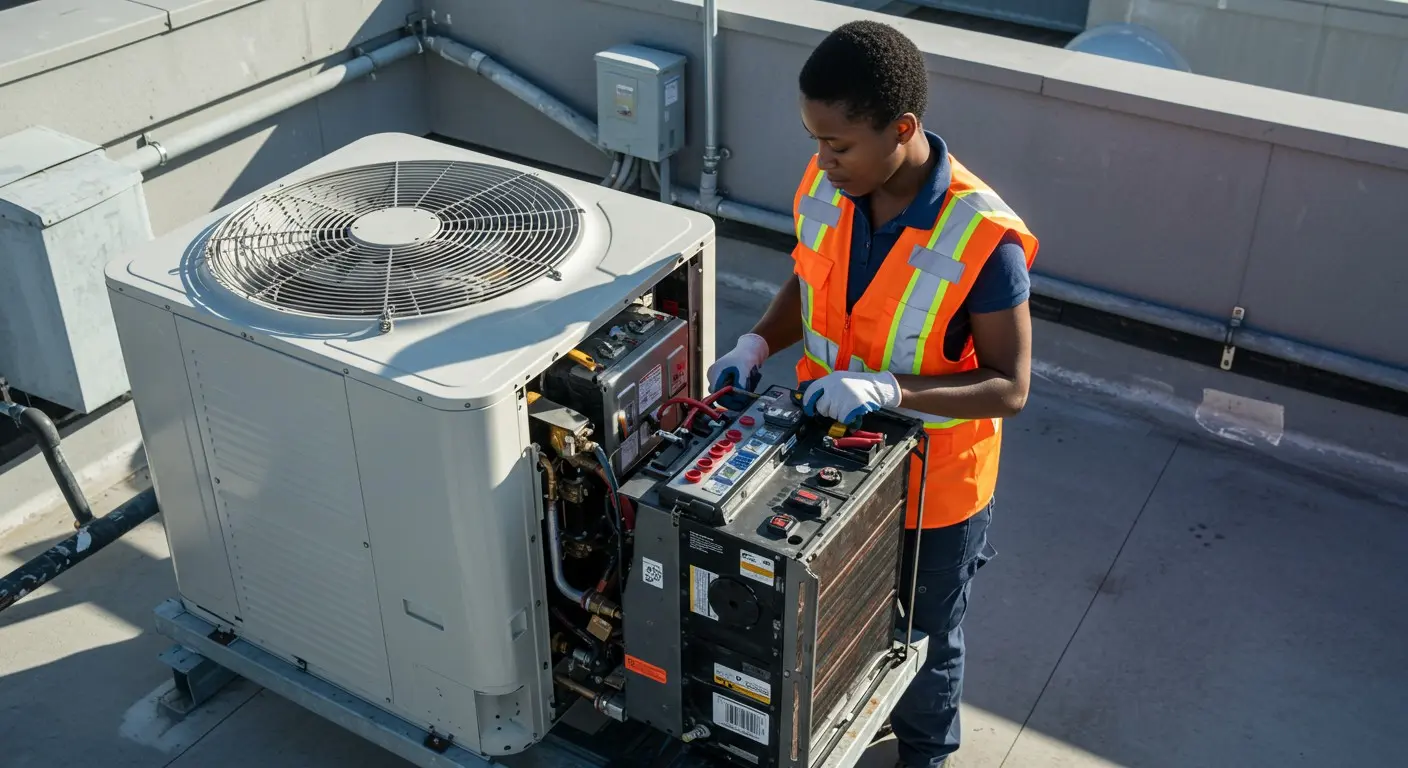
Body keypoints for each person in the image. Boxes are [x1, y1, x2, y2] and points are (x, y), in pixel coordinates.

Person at [706, 20, 1038, 768]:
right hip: (828, 460)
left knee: (924, 641)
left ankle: (925, 754)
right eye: (814, 139)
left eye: (839, 144)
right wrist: (757, 340)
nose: (823, 160)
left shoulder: (981, 236)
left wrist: (889, 387)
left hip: (934, 491)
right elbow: (811, 273)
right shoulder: (829, 183)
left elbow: (1010, 386)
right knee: (835, 620)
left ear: (903, 129)